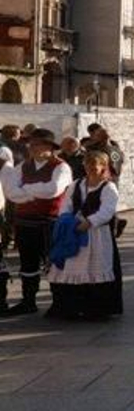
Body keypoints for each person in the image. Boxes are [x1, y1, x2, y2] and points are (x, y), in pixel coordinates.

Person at [0, 129, 72, 318]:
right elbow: (9, 191)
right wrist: (30, 193)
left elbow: (53, 190)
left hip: (49, 221)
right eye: (30, 144)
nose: (31, 148)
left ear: (48, 147)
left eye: (35, 144)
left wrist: (25, 190)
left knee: (54, 261)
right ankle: (28, 301)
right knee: (27, 263)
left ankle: (60, 303)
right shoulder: (23, 166)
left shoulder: (61, 167)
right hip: (24, 222)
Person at [43, 150, 122, 321]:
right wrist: (67, 219)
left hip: (97, 234)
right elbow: (66, 204)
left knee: (95, 269)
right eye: (88, 165)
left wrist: (90, 221)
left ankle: (95, 310)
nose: (91, 168)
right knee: (71, 267)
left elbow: (108, 210)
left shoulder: (108, 187)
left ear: (103, 167)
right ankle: (71, 308)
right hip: (74, 232)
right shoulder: (76, 185)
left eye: (95, 165)